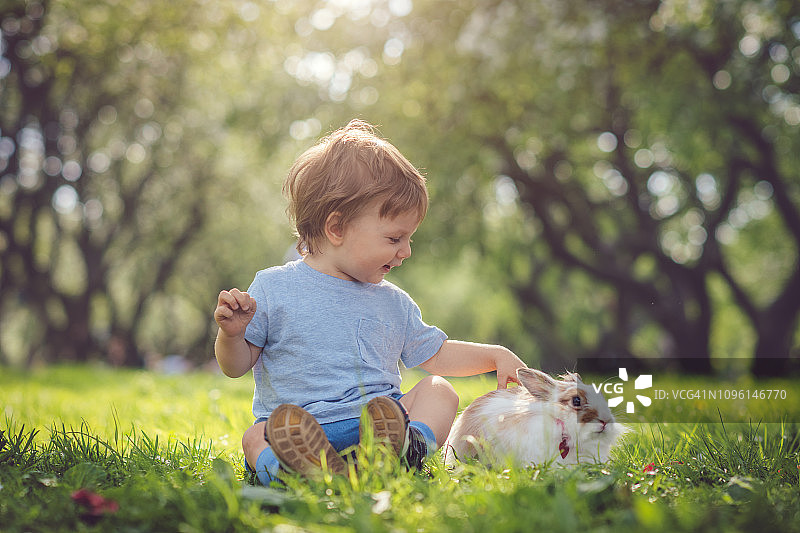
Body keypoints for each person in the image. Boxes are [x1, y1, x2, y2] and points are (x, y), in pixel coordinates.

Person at [213, 119, 526, 484]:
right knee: (256, 436)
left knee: (438, 390)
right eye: (395, 238)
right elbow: (235, 367)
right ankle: (294, 472)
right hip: (298, 428)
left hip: (377, 424)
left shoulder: (394, 302)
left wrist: (494, 356)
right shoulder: (273, 287)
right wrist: (232, 336)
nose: (406, 251)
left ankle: (404, 450)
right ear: (337, 228)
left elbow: (437, 356)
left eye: (409, 239)